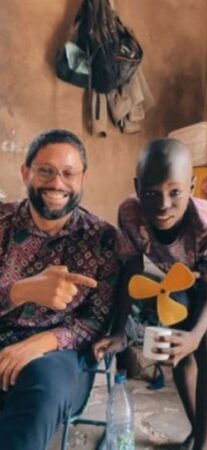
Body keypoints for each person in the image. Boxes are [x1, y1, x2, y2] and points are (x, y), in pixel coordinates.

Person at [93, 138, 207, 450]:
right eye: (151, 193)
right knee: (178, 354)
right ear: (137, 188)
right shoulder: (130, 214)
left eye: (175, 192)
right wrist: (120, 330)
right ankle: (196, 431)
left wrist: (195, 335)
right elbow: (131, 270)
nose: (163, 204)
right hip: (183, 273)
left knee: (206, 343)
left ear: (191, 186)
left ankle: (204, 445)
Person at [0, 129, 120, 449]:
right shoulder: (1, 222)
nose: (57, 183)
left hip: (61, 357)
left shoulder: (102, 238)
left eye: (69, 173)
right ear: (26, 172)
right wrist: (21, 291)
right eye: (46, 171)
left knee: (42, 388)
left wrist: (42, 342)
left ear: (82, 178)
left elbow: (96, 320)